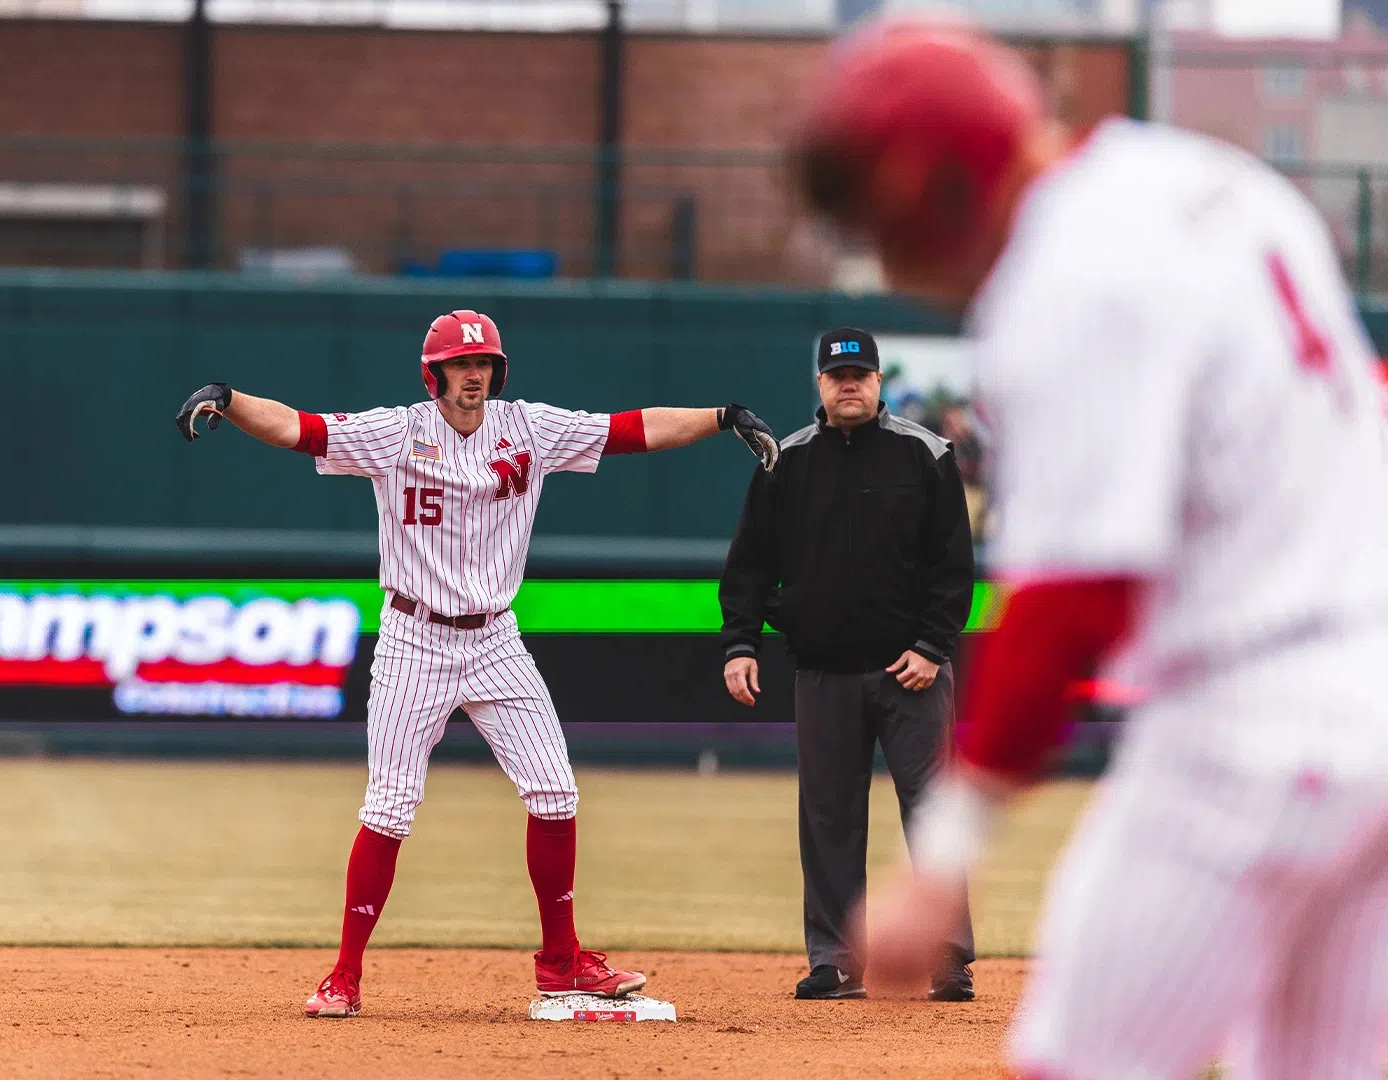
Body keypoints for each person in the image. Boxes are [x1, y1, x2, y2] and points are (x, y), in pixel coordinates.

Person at [793, 18, 1388, 1079]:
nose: (886, 261)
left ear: (930, 186)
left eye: (878, 225)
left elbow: (1075, 600)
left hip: (1249, 734)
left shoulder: (1064, 281)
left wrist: (941, 862)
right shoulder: (1213, 179)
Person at [175, 309, 780, 1019]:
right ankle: (344, 976)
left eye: (484, 363)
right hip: (414, 638)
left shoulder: (528, 427)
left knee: (555, 793)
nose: (474, 374)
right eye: (461, 364)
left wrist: (722, 417)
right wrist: (229, 397)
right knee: (389, 807)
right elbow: (299, 428)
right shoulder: (396, 432)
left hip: (496, 637)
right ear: (433, 375)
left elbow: (630, 430)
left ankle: (561, 963)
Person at [717, 326, 976, 1002]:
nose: (850, 385)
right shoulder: (786, 462)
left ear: (879, 381)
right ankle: (834, 959)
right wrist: (741, 644)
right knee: (829, 817)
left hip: (912, 672)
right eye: (838, 376)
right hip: (824, 671)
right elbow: (749, 566)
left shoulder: (926, 453)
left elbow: (953, 567)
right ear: (821, 384)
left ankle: (948, 957)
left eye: (860, 374)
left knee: (933, 815)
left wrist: (932, 647)